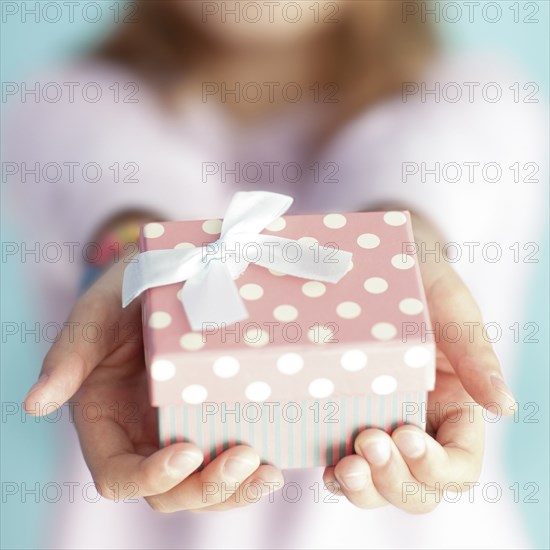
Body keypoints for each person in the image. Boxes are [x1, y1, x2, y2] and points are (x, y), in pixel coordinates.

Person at [6, 0, 546, 547]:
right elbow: (105, 164)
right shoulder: (65, 101)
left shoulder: (476, 97)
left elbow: (432, 163)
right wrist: (137, 248)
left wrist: (408, 244)